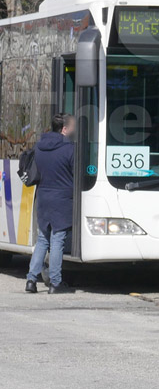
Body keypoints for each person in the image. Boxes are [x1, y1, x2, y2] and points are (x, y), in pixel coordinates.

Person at [25, 113, 76, 294]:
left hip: (43, 197)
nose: (74, 130)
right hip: (61, 199)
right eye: (72, 127)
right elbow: (75, 173)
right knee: (57, 240)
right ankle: (55, 282)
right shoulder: (70, 149)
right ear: (63, 129)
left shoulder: (40, 146)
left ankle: (31, 280)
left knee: (42, 239)